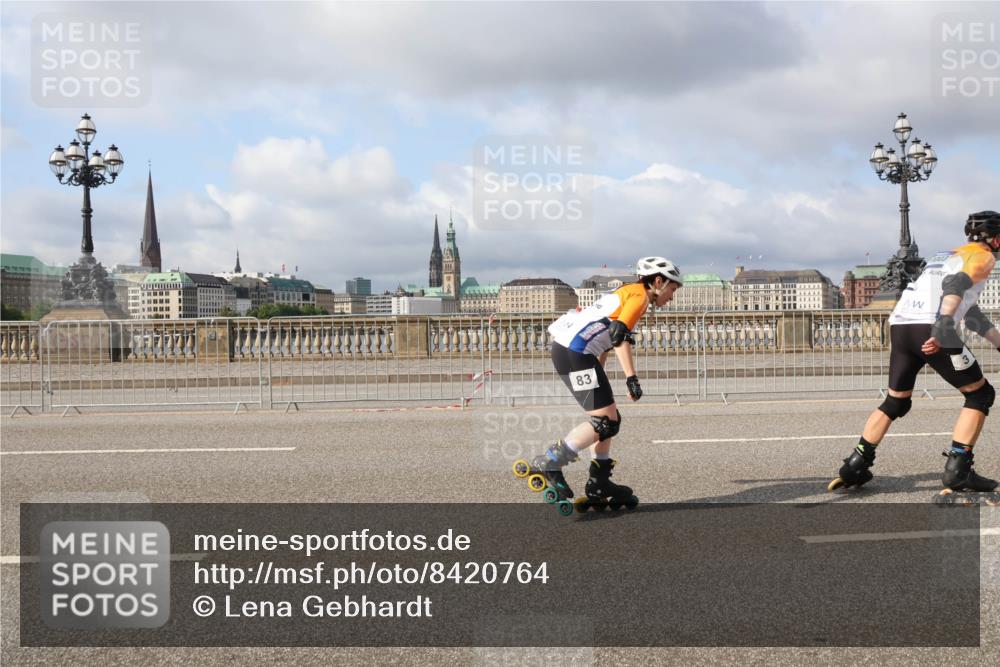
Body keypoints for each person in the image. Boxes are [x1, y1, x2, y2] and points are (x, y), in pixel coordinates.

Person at [829, 211, 1000, 497]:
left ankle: (856, 464)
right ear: (995, 238)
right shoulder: (983, 257)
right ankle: (958, 470)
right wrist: (943, 327)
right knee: (980, 394)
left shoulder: (943, 255)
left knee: (896, 402)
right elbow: (954, 288)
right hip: (931, 327)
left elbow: (969, 312)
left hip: (901, 325)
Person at [513, 257, 683, 514]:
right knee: (605, 422)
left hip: (571, 351)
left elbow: (602, 337)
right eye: (672, 289)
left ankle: (599, 483)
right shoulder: (639, 297)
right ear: (658, 282)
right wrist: (631, 378)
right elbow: (617, 335)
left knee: (608, 418)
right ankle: (551, 462)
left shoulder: (626, 292)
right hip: (575, 353)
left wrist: (598, 375)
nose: (672, 297)